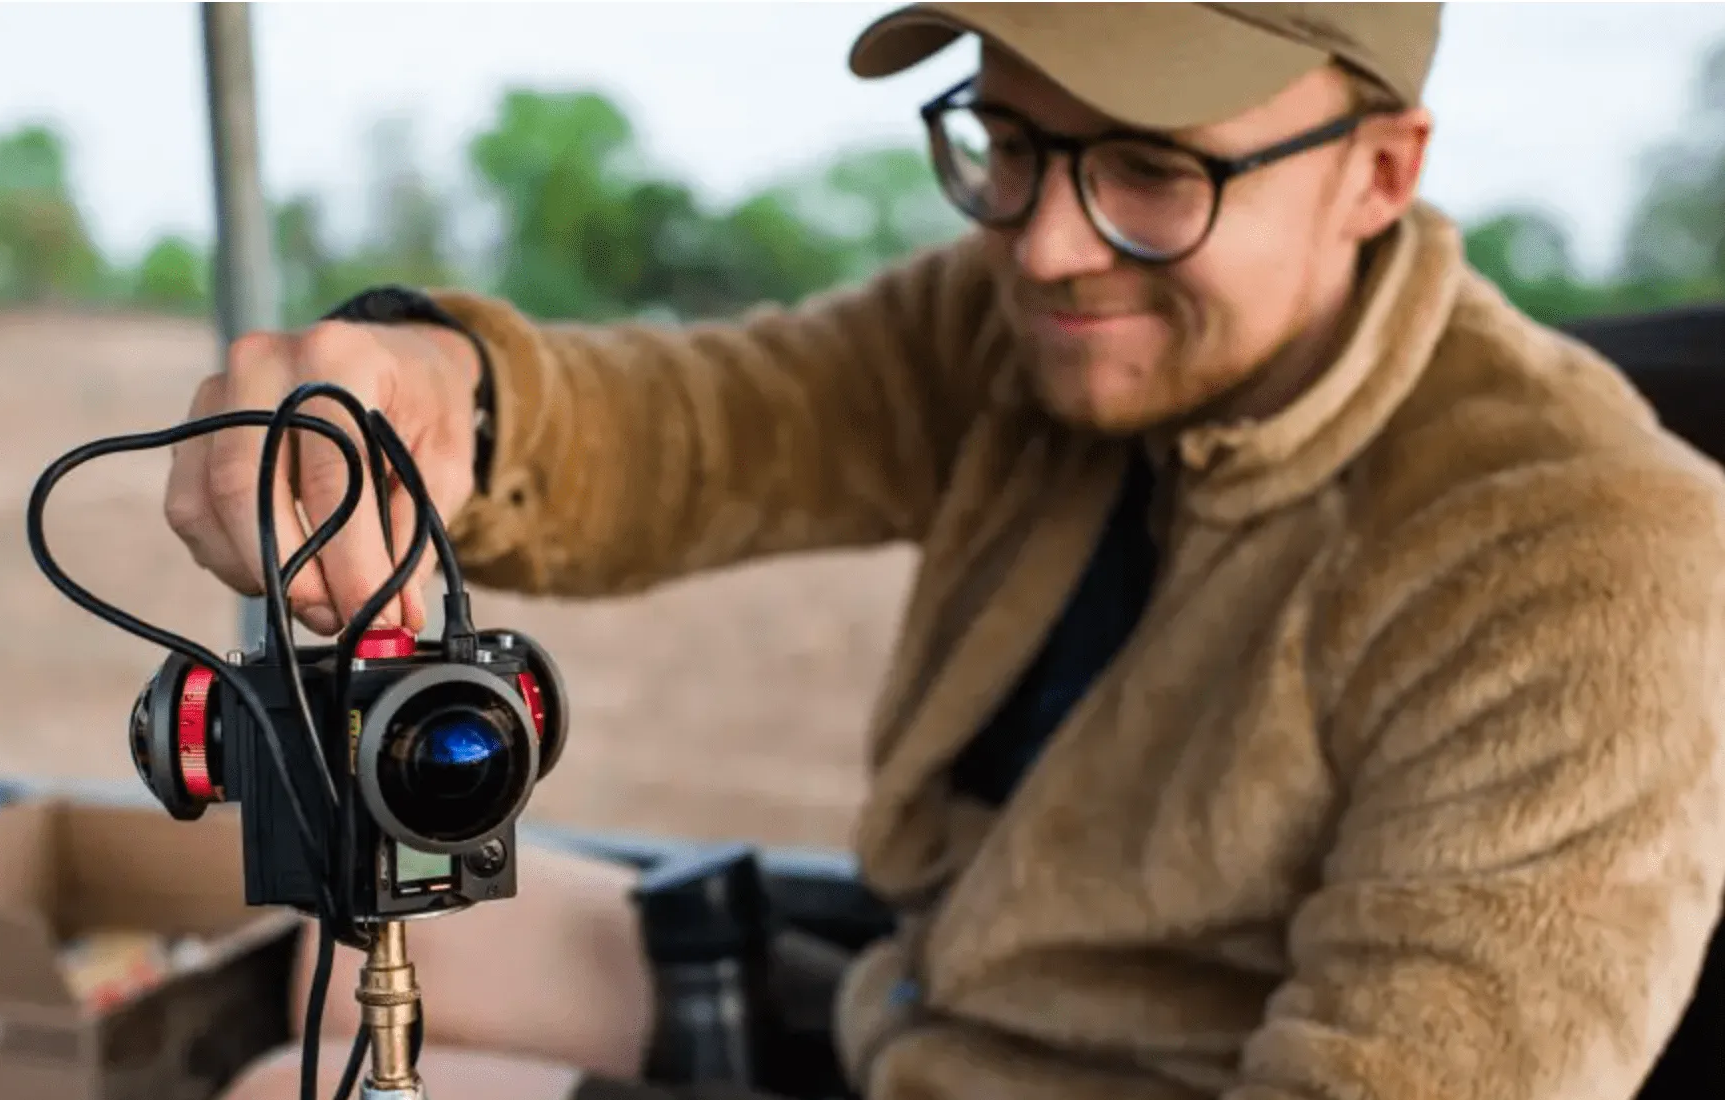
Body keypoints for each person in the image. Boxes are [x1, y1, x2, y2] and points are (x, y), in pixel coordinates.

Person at [175, 4, 1725, 1100]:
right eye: (1009, 141)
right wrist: (439, 398)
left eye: (1151, 171)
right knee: (343, 957)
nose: (1048, 244)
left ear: (1379, 171)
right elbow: (704, 427)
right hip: (914, 1007)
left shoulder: (1584, 556)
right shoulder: (1015, 329)